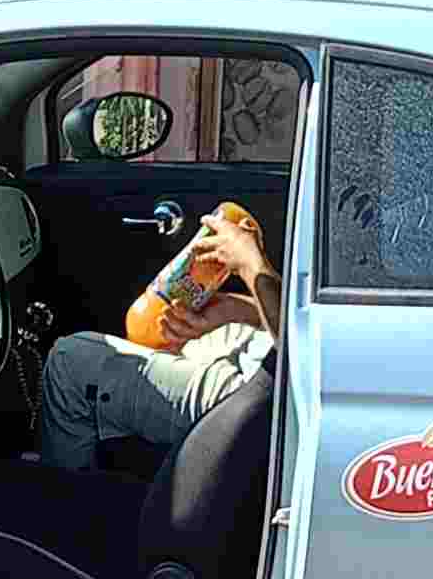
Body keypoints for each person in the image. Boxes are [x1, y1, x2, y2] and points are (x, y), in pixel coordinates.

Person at [36, 198, 276, 472]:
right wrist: (240, 310)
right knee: (160, 333)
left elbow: (305, 347)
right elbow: (302, 316)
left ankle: (63, 492)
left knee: (70, 363)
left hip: (272, 395)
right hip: (271, 346)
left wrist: (251, 263)